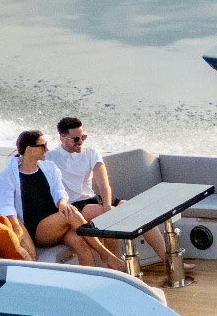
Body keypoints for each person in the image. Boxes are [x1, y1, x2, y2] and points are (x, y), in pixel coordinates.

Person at [47, 114, 165, 267]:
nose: (80, 142)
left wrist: (108, 205)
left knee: (135, 210)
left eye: (83, 137)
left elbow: (104, 184)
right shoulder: (50, 158)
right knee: (108, 217)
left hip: (93, 200)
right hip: (74, 207)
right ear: (62, 138)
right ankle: (113, 266)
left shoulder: (91, 153)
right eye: (76, 139)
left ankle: (168, 259)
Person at [0, 130, 114, 267]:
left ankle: (89, 283)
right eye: (43, 145)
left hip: (56, 225)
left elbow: (59, 191)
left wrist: (62, 203)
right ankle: (105, 255)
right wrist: (18, 229)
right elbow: (6, 207)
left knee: (80, 243)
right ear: (30, 149)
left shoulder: (49, 168)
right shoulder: (7, 176)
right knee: (70, 213)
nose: (47, 149)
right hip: (37, 230)